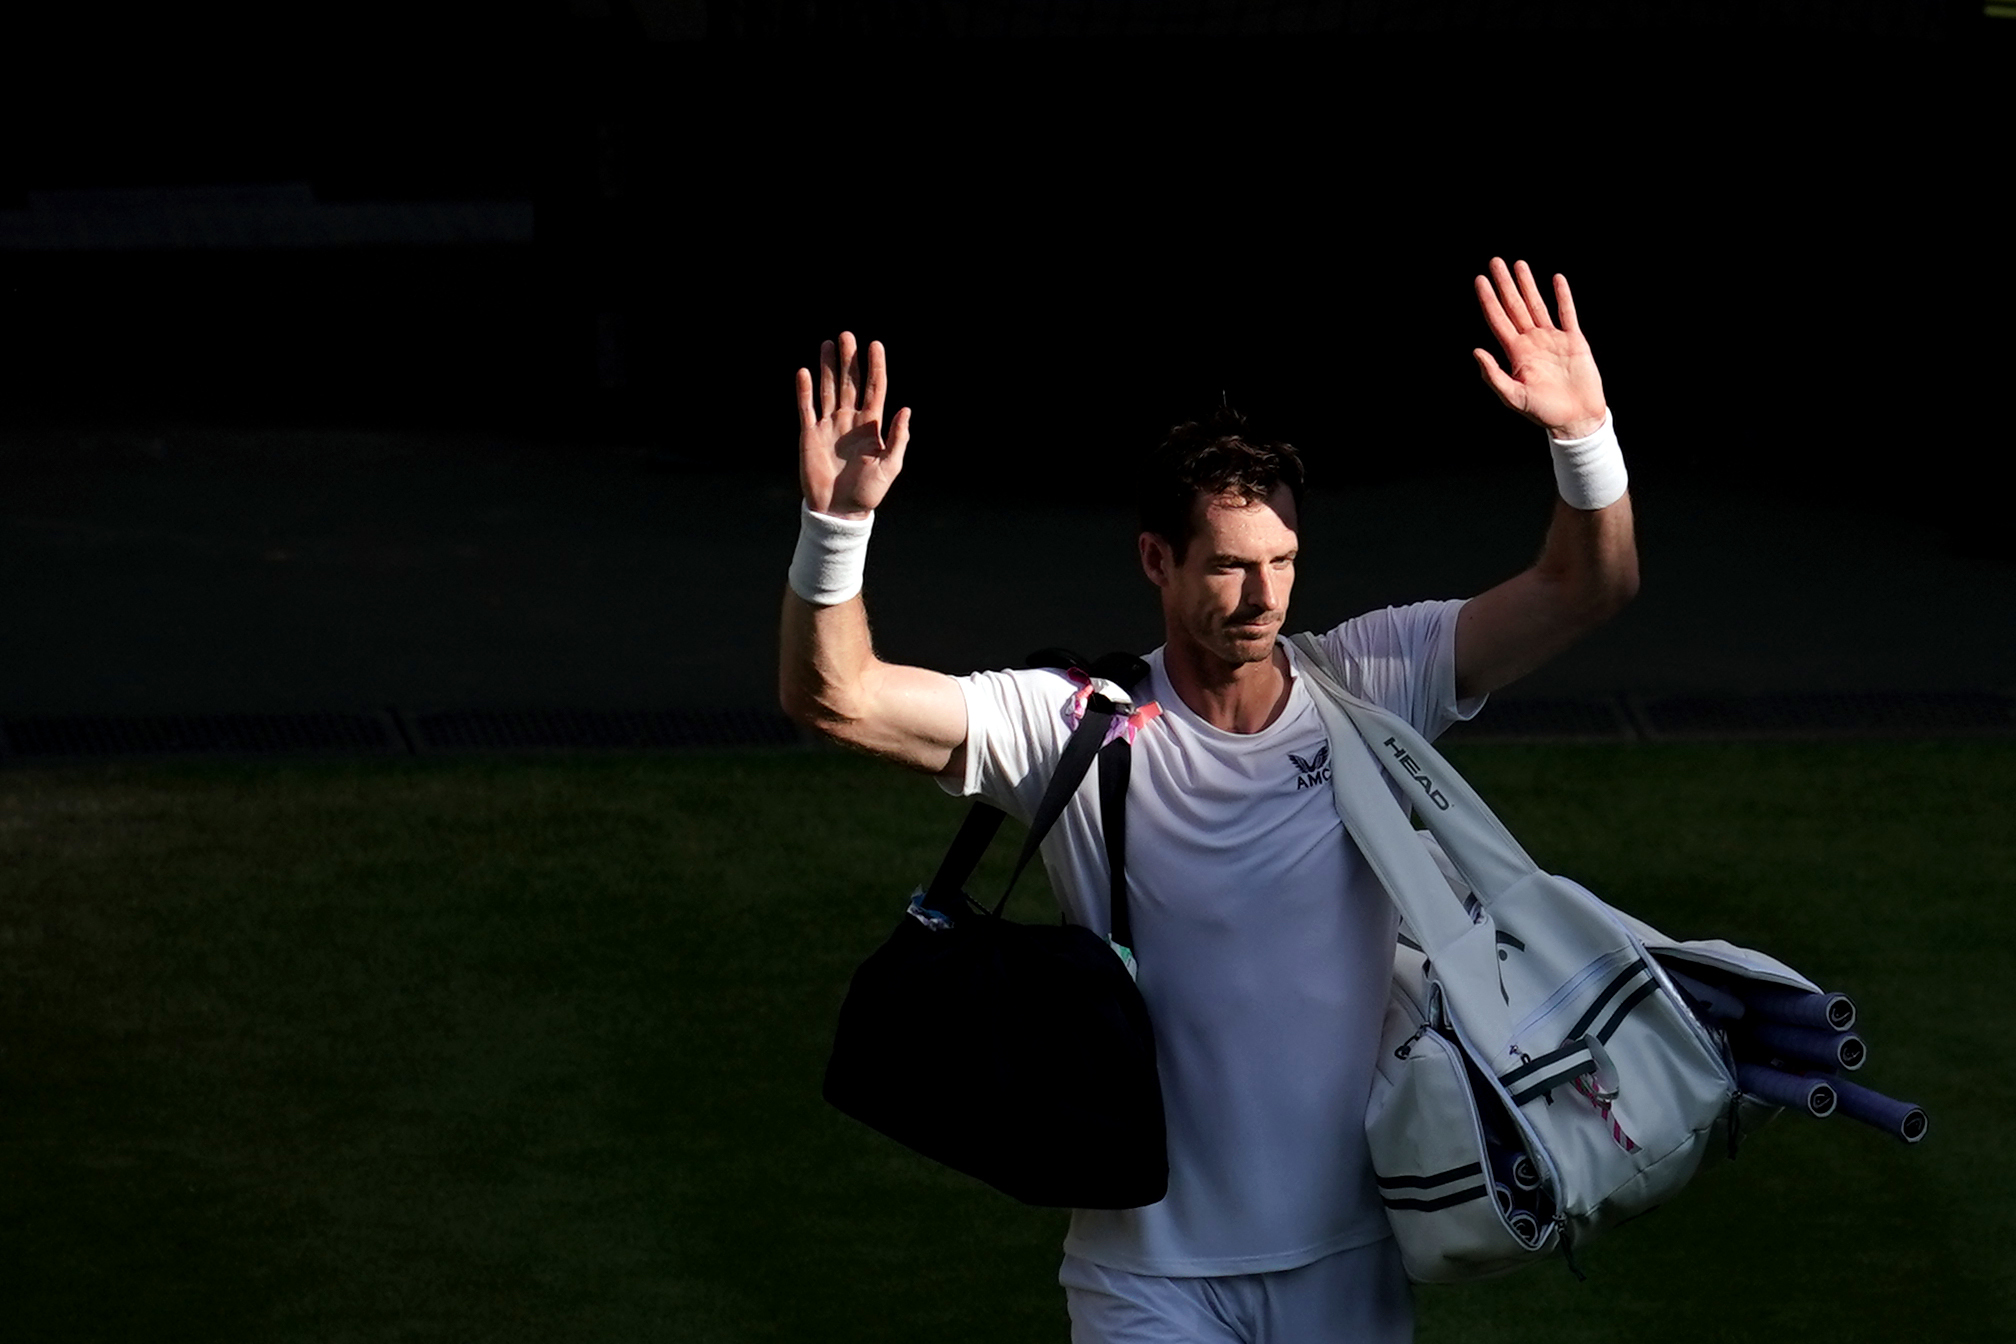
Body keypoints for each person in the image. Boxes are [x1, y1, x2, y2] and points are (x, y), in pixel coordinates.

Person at [778, 258, 1638, 1344]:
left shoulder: (1371, 681)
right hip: (1148, 1279)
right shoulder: (1072, 726)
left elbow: (1589, 587)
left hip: (1351, 1260)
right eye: (1231, 566)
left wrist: (1584, 434)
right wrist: (834, 528)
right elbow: (835, 697)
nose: (1266, 594)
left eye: (1282, 560)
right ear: (1158, 561)